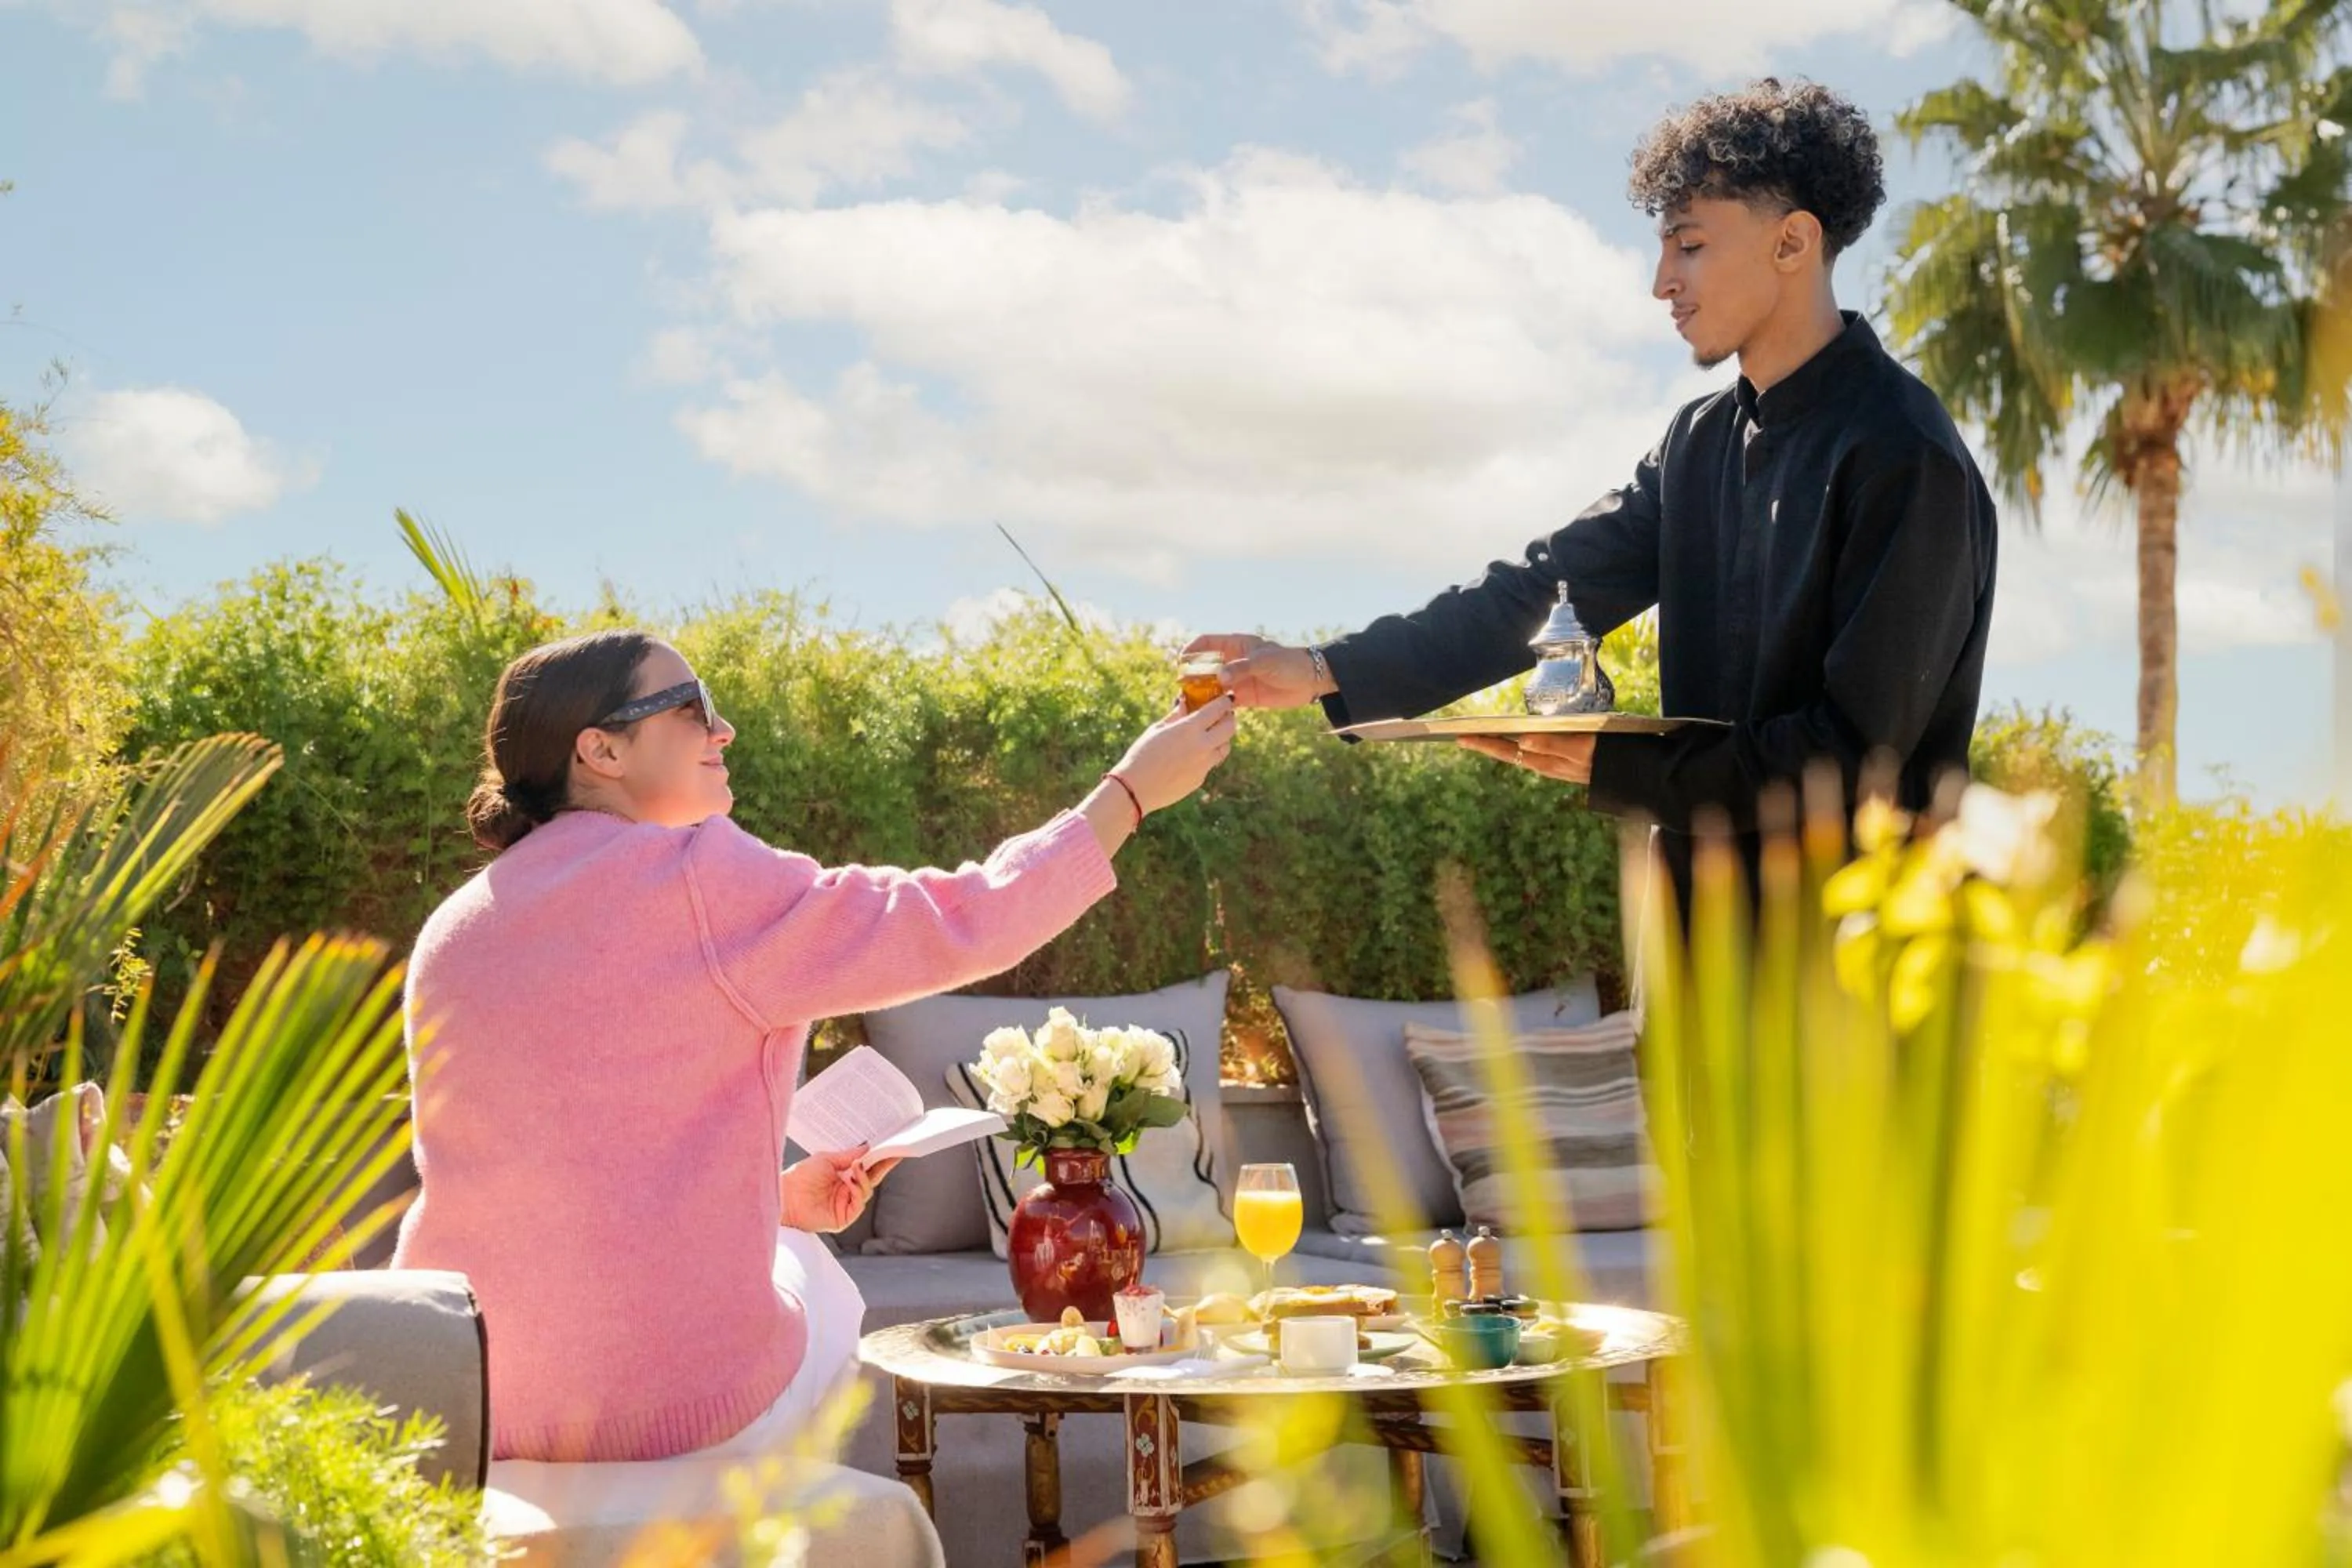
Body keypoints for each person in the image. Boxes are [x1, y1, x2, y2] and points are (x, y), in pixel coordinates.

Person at [392, 629, 1233, 1486]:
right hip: (669, 1409)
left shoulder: (456, 927)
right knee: (821, 1281)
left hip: (467, 1390)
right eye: (692, 709)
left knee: (790, 1245)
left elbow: (554, 1171)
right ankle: (765, 1519)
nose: (724, 731)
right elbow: (965, 915)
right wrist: (1129, 792)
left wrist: (775, 1201)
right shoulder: (695, 876)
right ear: (599, 748)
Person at [1188, 78, 1998, 916]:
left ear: (1793, 242)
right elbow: (1540, 590)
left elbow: (1855, 761)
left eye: (1688, 246)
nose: (1661, 282)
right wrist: (1325, 669)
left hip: (1860, 973)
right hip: (1695, 951)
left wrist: (1625, 769)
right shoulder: (1697, 443)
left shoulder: (1907, 455)